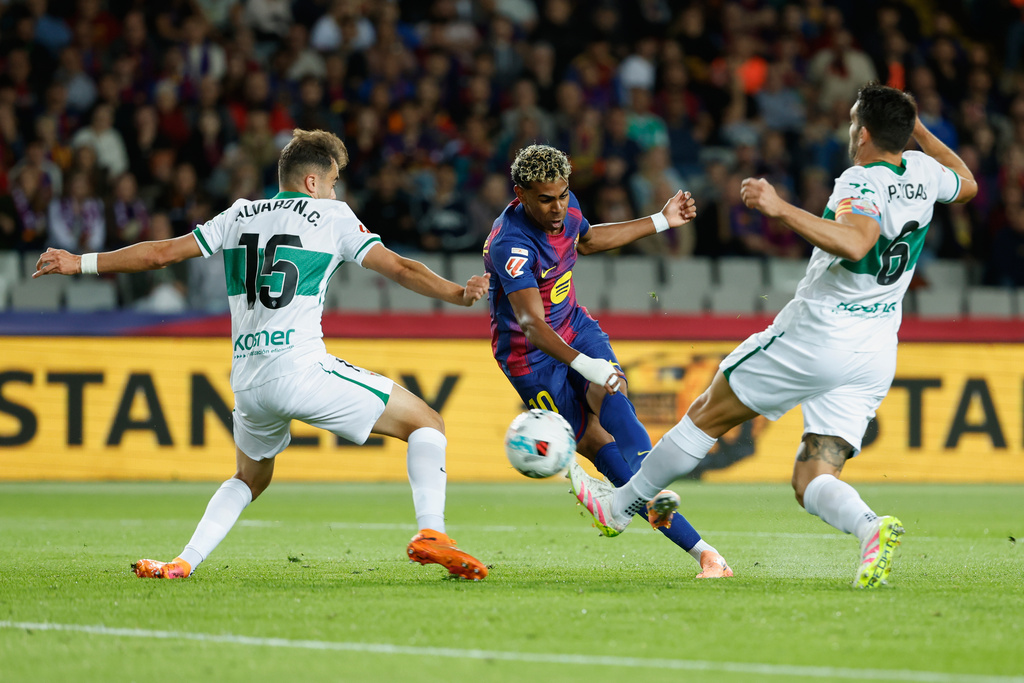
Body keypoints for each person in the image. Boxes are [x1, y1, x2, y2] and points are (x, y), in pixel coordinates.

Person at [34, 129, 491, 581]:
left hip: (249, 381)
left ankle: (182, 562)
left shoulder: (239, 213)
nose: (336, 191)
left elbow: (160, 255)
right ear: (313, 183)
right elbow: (400, 267)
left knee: (250, 477)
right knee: (427, 423)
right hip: (300, 368)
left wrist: (80, 262)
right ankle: (432, 532)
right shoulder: (332, 216)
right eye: (333, 182)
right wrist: (457, 293)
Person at [569, 84, 977, 588]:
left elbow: (856, 241)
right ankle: (870, 528)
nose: (850, 132)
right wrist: (917, 130)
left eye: (853, 123)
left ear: (864, 132)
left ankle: (619, 505)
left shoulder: (861, 179)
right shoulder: (923, 172)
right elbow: (968, 181)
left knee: (707, 413)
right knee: (811, 479)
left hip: (820, 333)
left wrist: (779, 207)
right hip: (874, 349)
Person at [482, 144, 732, 579]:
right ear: (520, 194)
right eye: (546, 199)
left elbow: (591, 238)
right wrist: (583, 365)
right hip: (531, 359)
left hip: (575, 326)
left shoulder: (564, 207)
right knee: (600, 447)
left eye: (563, 194)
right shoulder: (511, 245)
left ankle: (659, 501)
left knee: (614, 391)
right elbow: (531, 327)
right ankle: (704, 552)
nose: (558, 207)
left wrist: (661, 220)